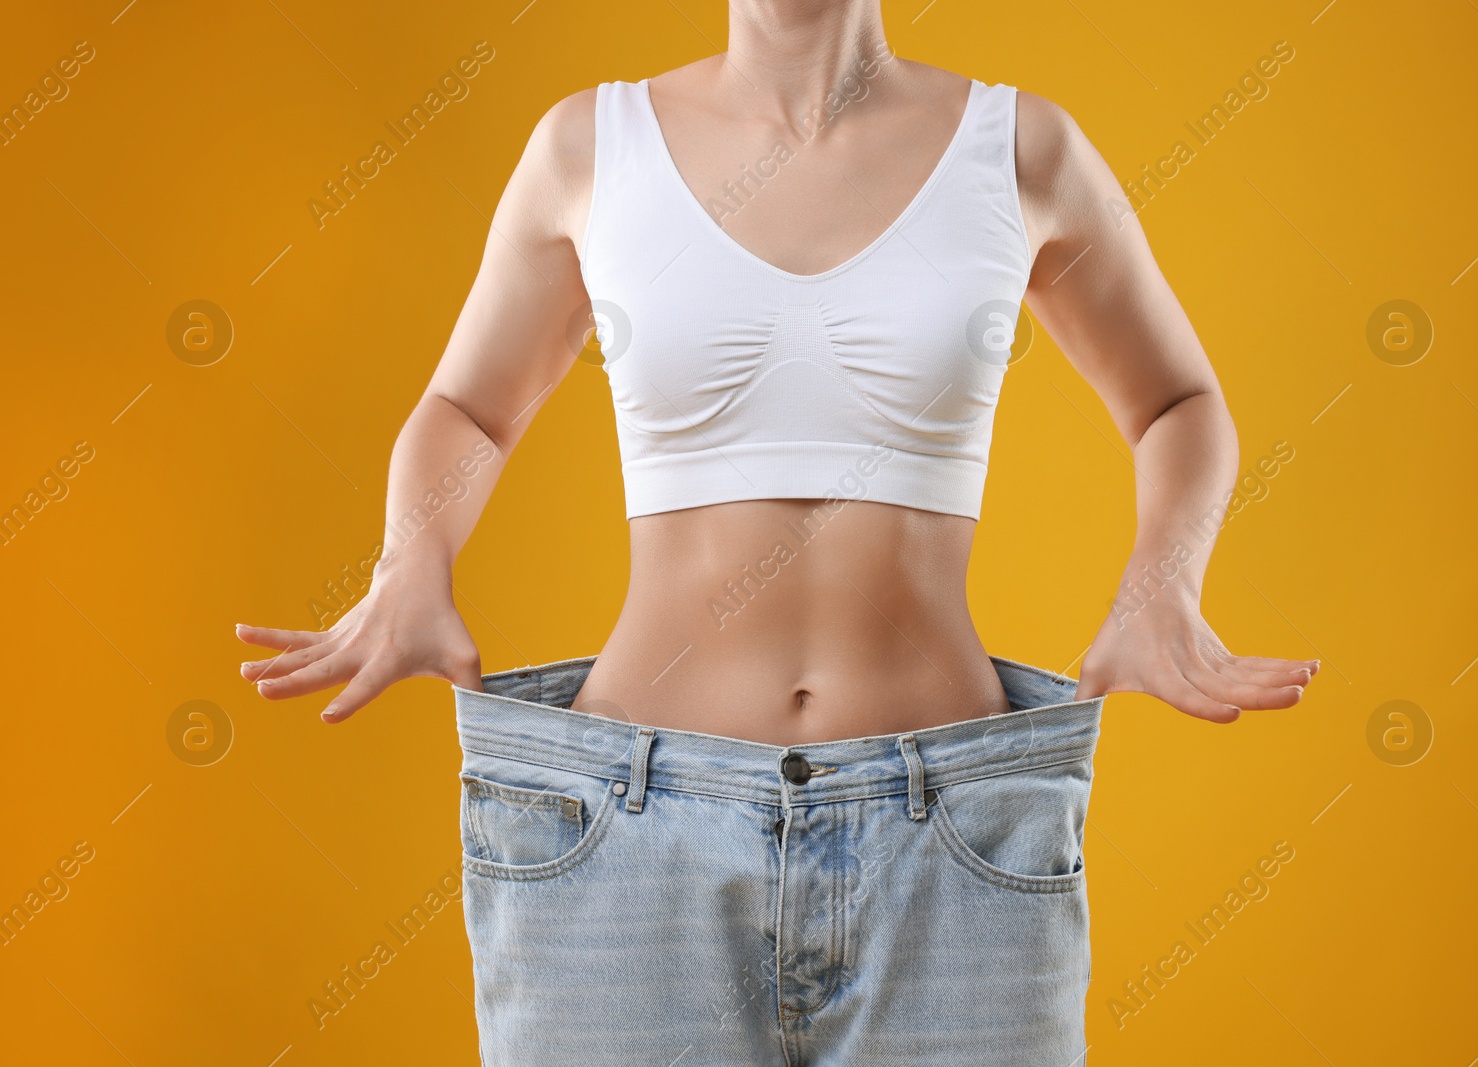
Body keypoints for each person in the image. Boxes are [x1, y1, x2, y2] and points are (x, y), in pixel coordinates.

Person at [239, 3, 1318, 1062]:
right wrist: (408, 563)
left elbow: (1176, 402)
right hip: (626, 847)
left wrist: (1161, 585)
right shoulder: (589, 145)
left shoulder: (1020, 148)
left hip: (950, 850)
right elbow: (468, 408)